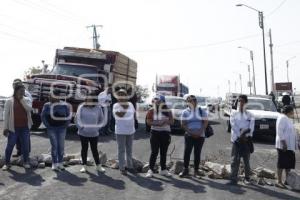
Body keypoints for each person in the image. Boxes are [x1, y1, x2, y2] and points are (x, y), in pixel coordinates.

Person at [2, 83, 32, 170]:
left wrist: (22, 100)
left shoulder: (26, 99)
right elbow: (6, 115)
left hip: (24, 127)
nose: (23, 92)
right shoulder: (9, 101)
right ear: (16, 91)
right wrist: (5, 128)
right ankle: (7, 163)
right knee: (10, 145)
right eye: (21, 90)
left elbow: (29, 109)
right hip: (13, 128)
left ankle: (25, 162)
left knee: (25, 145)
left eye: (23, 91)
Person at [75, 92, 106, 173]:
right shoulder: (81, 107)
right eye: (87, 99)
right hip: (83, 133)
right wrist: (81, 127)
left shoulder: (98, 108)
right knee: (84, 149)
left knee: (94, 149)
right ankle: (84, 166)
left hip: (94, 133)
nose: (88, 100)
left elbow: (101, 120)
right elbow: (77, 119)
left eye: (90, 99)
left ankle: (98, 166)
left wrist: (97, 128)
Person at [41, 89, 70, 171]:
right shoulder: (47, 105)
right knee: (54, 146)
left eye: (51, 95)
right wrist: (48, 126)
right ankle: (54, 163)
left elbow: (68, 116)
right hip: (51, 129)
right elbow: (43, 116)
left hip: (62, 129)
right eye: (49, 95)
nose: (49, 97)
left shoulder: (64, 105)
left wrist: (66, 125)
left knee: (61, 146)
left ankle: (60, 163)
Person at [179, 94, 208, 178]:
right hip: (189, 135)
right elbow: (183, 124)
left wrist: (200, 131)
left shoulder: (201, 111)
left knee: (197, 153)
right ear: (187, 102)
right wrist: (190, 132)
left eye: (194, 100)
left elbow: (205, 122)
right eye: (191, 100)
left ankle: (196, 171)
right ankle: (185, 170)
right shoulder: (185, 112)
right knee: (187, 152)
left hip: (200, 135)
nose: (193, 101)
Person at [228, 94, 254, 185]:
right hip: (236, 140)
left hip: (246, 141)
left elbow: (251, 128)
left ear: (246, 103)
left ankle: (247, 178)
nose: (240, 103)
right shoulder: (233, 113)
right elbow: (233, 126)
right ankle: (233, 178)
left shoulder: (250, 115)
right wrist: (241, 135)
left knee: (246, 161)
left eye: (242, 101)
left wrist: (245, 136)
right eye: (239, 101)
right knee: (235, 160)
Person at [145, 95, 173, 178]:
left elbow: (172, 121)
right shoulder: (151, 110)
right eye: (156, 101)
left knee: (163, 152)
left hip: (165, 133)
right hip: (155, 133)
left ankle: (163, 170)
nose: (157, 102)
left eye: (159, 101)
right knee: (154, 152)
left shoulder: (168, 111)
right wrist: (157, 123)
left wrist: (165, 122)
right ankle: (150, 170)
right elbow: (148, 122)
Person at [113, 89, 136, 175]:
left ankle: (130, 166)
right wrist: (125, 107)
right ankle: (122, 167)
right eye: (119, 95)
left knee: (129, 150)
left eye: (123, 95)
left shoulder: (130, 104)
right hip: (120, 131)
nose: (122, 96)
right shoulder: (115, 105)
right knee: (121, 150)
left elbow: (133, 114)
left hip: (130, 131)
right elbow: (120, 115)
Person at [275, 105, 299, 188]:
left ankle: (287, 180)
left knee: (289, 164)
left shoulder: (288, 119)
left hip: (289, 146)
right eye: (292, 111)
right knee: (281, 163)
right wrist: (284, 143)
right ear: (289, 111)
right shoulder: (282, 118)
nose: (293, 112)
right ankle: (279, 181)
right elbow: (280, 131)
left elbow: (292, 132)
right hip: (284, 145)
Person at [12, 79, 33, 158]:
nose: (15, 85)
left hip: (25, 120)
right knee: (17, 138)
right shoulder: (13, 94)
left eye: (17, 83)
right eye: (14, 84)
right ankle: (19, 151)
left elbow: (29, 105)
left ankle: (26, 154)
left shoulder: (26, 94)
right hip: (15, 121)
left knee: (25, 138)